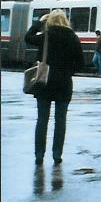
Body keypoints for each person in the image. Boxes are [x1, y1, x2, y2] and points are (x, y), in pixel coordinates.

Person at [24, 9, 85, 165]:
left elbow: (28, 37)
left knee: (42, 120)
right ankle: (57, 154)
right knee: (60, 120)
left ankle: (39, 155)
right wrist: (67, 72)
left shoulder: (46, 36)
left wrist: (38, 23)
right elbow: (81, 64)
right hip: (64, 84)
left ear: (49, 21)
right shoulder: (73, 38)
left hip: (44, 83)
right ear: (65, 21)